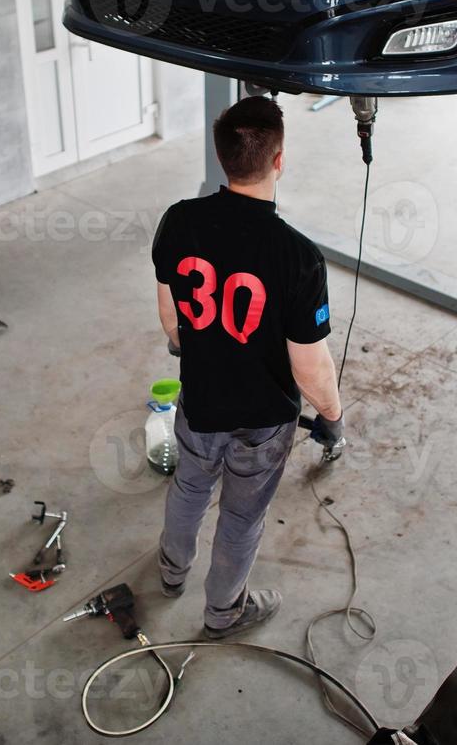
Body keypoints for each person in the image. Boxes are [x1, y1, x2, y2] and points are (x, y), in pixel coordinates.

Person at [150, 95, 344, 638]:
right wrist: (331, 413)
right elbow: (309, 365)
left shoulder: (180, 220)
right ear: (278, 160)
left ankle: (170, 574)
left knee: (189, 488)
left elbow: (171, 320)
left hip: (201, 400)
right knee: (240, 517)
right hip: (263, 419)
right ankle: (222, 614)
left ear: (222, 159)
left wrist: (205, 349)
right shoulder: (297, 255)